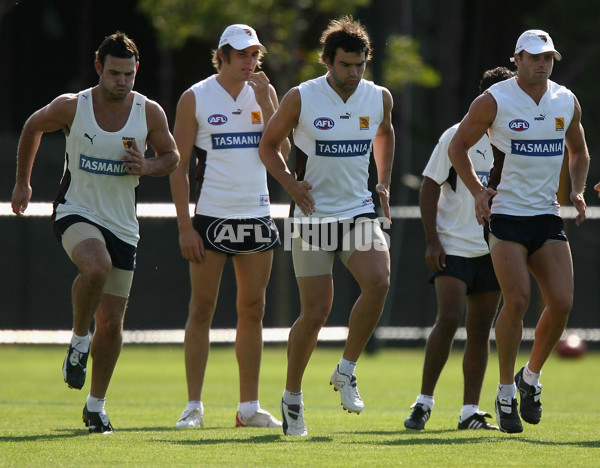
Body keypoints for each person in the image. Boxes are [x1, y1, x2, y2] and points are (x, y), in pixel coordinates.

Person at [11, 31, 180, 433]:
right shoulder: (73, 107)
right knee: (96, 267)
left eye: (129, 74)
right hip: (76, 211)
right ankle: (77, 340)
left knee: (112, 324)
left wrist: (149, 166)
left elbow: (171, 156)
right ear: (98, 69)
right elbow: (33, 127)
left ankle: (95, 405)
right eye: (115, 73)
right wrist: (22, 182)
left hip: (123, 224)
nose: (122, 81)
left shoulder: (149, 112)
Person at [448, 29, 590, 433]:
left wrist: (577, 190)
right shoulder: (494, 100)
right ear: (517, 59)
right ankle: (506, 389)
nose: (542, 63)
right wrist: (477, 191)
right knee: (518, 298)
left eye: (547, 57)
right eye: (534, 57)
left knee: (561, 302)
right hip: (505, 214)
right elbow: (457, 147)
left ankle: (530, 379)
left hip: (545, 215)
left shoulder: (566, 100)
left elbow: (578, 150)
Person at [259, 16, 395, 436]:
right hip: (313, 217)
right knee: (316, 312)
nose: (353, 73)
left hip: (357, 210)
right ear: (327, 62)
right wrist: (289, 184)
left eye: (359, 65)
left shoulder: (378, 97)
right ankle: (292, 398)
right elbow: (267, 145)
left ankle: (346, 370)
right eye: (344, 65)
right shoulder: (302, 97)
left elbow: (385, 134)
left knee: (379, 282)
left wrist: (383, 182)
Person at [170, 24, 289, 429]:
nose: (249, 61)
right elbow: (179, 166)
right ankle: (193, 407)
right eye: (241, 54)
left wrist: (268, 104)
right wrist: (186, 226)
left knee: (252, 310)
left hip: (256, 214)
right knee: (201, 309)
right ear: (221, 55)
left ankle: (248, 408)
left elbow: (283, 153)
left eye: (254, 54)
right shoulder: (195, 97)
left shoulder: (265, 93)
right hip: (210, 218)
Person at [404, 67, 514, 432]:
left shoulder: (514, 137)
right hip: (452, 245)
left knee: (481, 328)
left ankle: (470, 412)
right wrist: (432, 239)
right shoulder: (455, 136)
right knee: (449, 318)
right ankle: (423, 402)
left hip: (493, 247)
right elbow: (430, 186)